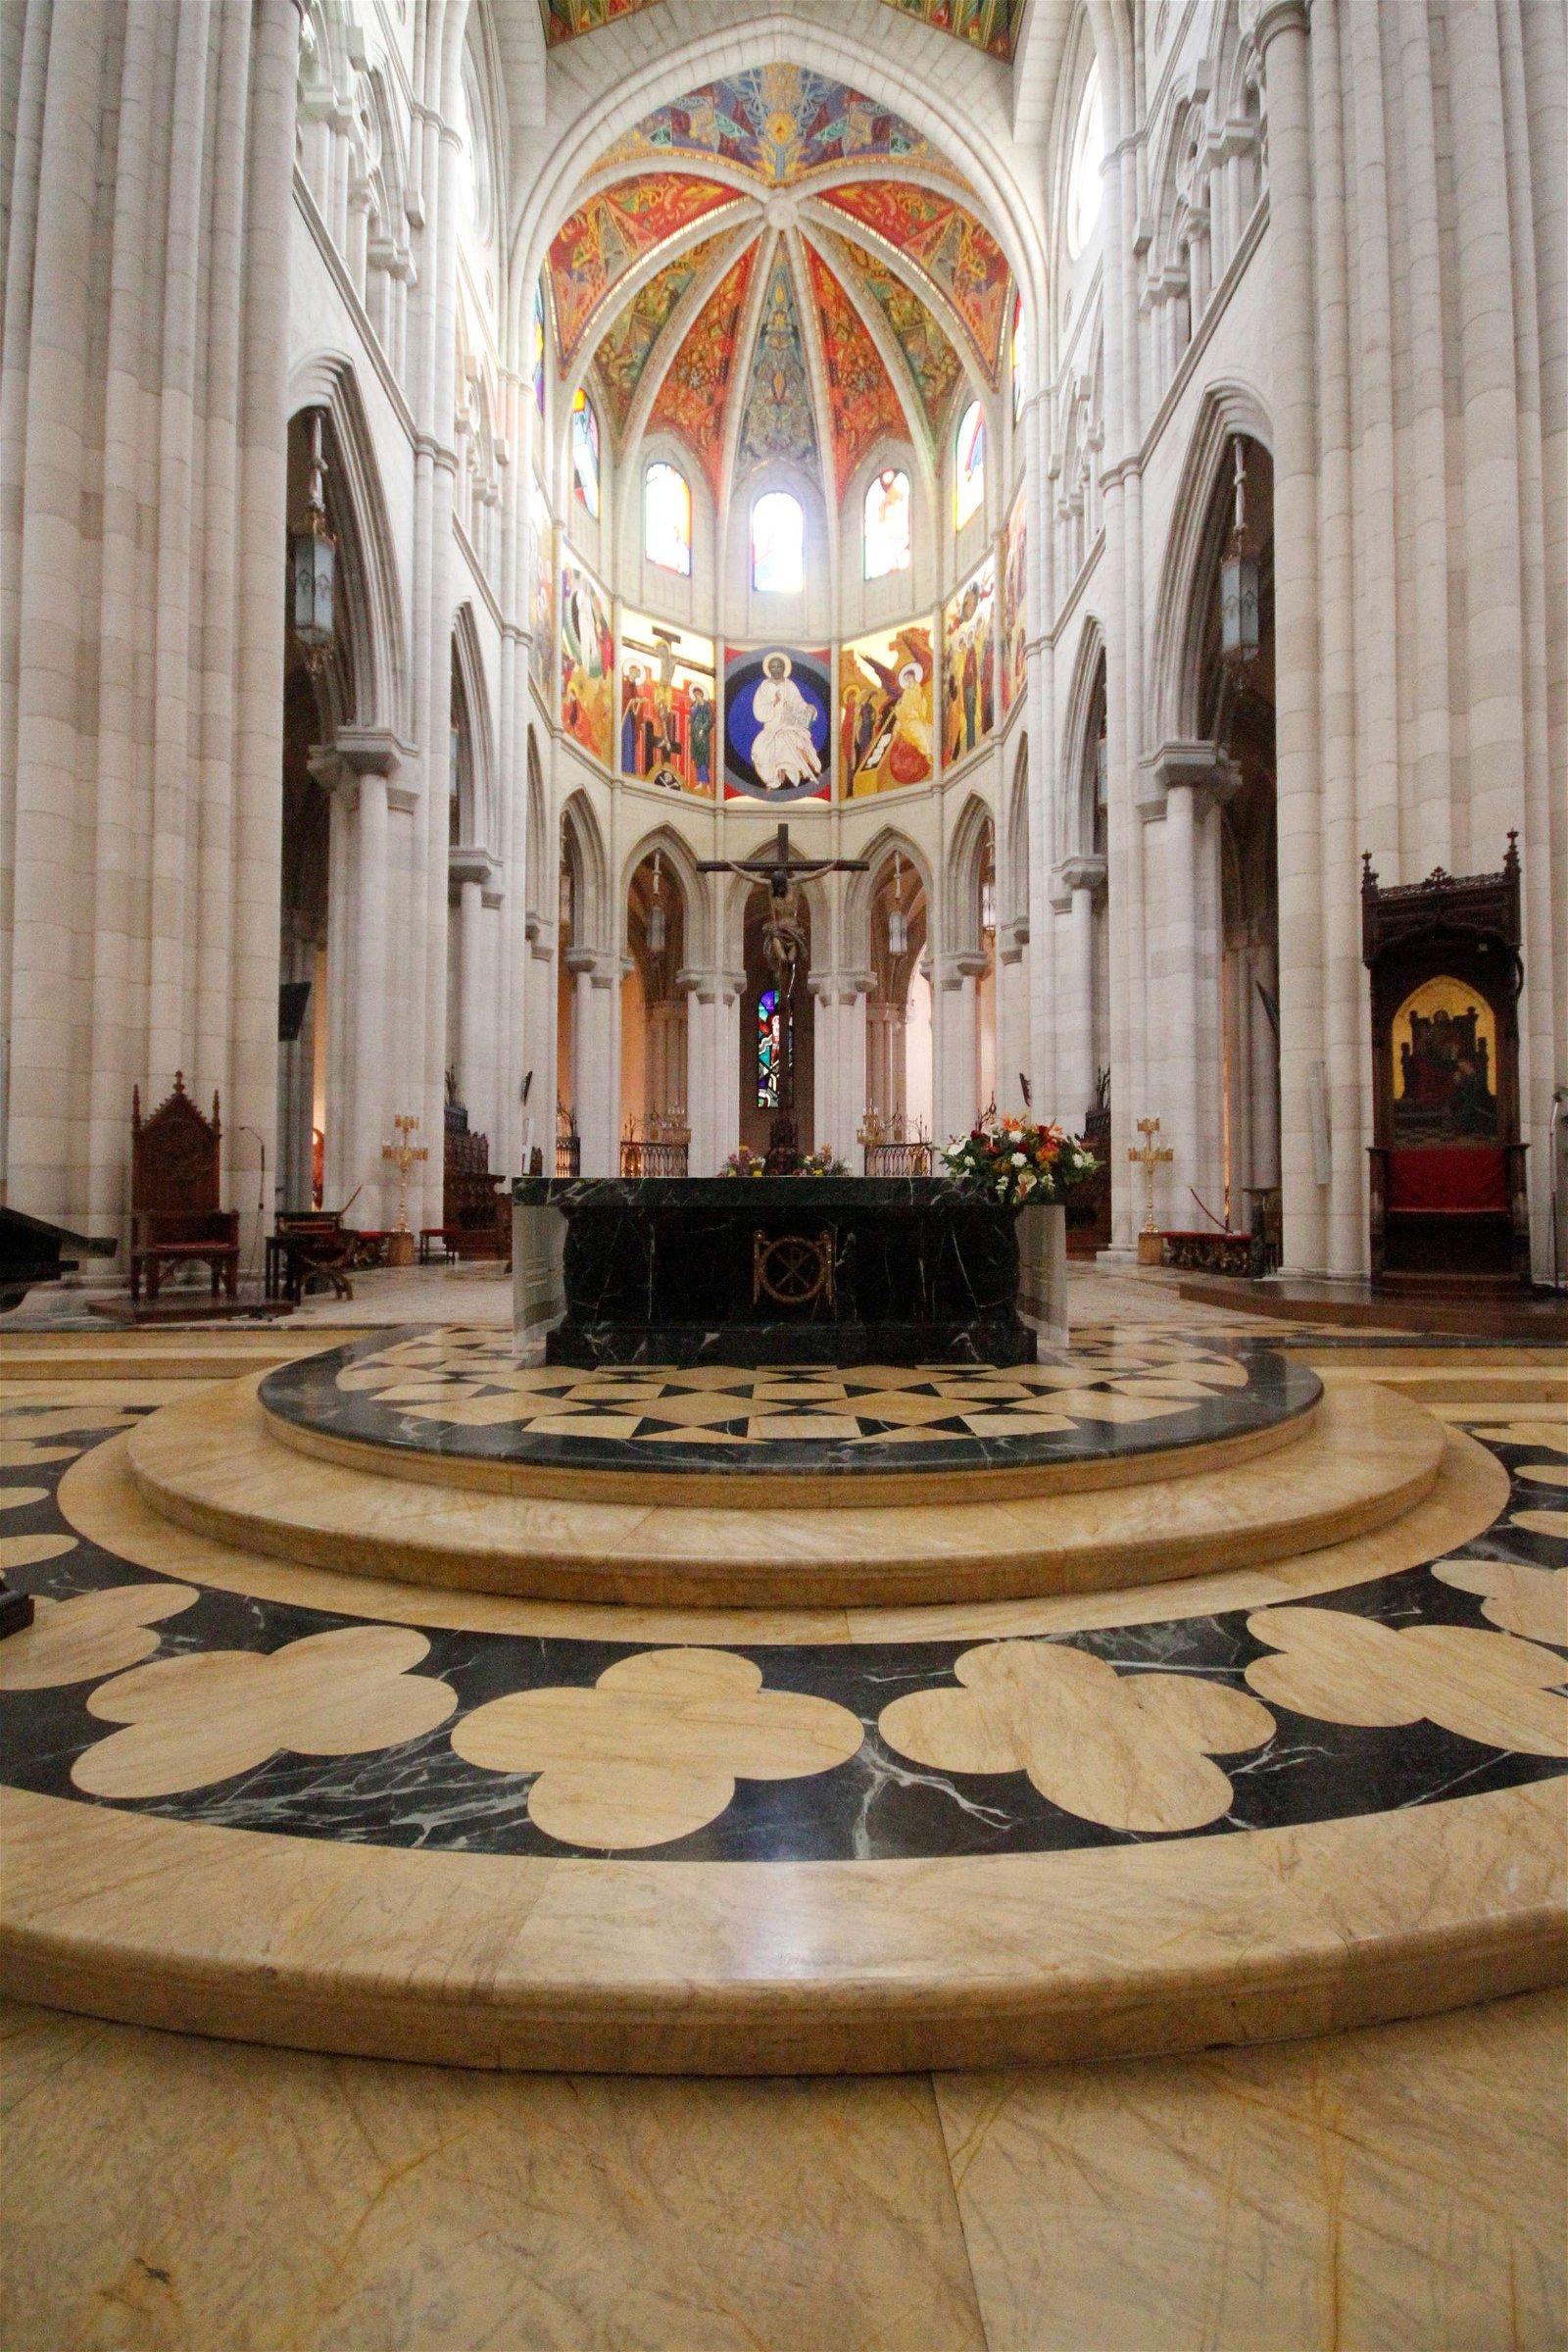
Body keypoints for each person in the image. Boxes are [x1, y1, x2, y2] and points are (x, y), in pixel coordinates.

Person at [750, 654, 821, 791]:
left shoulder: (790, 685)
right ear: (769, 669)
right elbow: (758, 708)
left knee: (789, 741)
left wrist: (808, 709)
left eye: (778, 666)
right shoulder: (764, 686)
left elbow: (798, 702)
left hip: (788, 724)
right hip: (771, 726)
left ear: (784, 668)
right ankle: (773, 779)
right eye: (773, 667)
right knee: (760, 750)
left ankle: (800, 770)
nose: (775, 669)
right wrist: (773, 704)